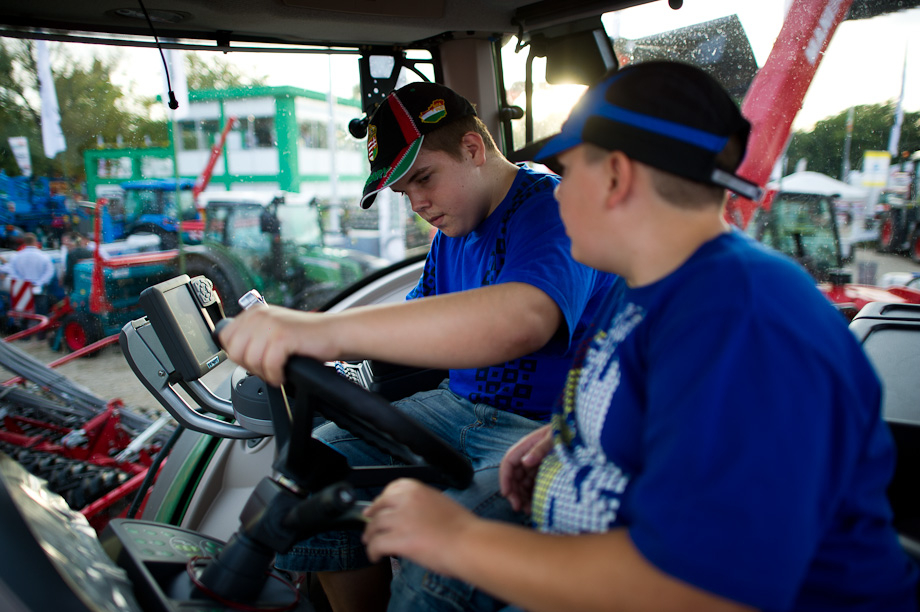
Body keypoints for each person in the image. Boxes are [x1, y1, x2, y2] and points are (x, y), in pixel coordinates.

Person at [359, 61, 920, 611]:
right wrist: (573, 432)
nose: (555, 194)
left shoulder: (744, 317)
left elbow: (706, 588)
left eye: (569, 173)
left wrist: (457, 541)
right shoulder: (645, 290)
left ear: (616, 177)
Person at [217, 81, 614, 611]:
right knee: (310, 480)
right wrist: (323, 349)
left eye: (424, 178)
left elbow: (523, 319)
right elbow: (412, 320)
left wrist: (317, 331)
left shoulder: (549, 211)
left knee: (437, 569)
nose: (419, 203)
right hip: (459, 409)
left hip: (542, 429)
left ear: (473, 149)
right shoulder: (451, 234)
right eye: (406, 192)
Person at [4, 233, 56, 338]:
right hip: (39, 288)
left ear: (24, 242)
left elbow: (11, 271)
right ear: (35, 242)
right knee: (41, 313)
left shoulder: (17, 256)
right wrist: (39, 282)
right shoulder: (44, 256)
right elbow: (50, 271)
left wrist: (23, 282)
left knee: (24, 314)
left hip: (23, 289)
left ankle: (25, 336)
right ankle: (41, 335)